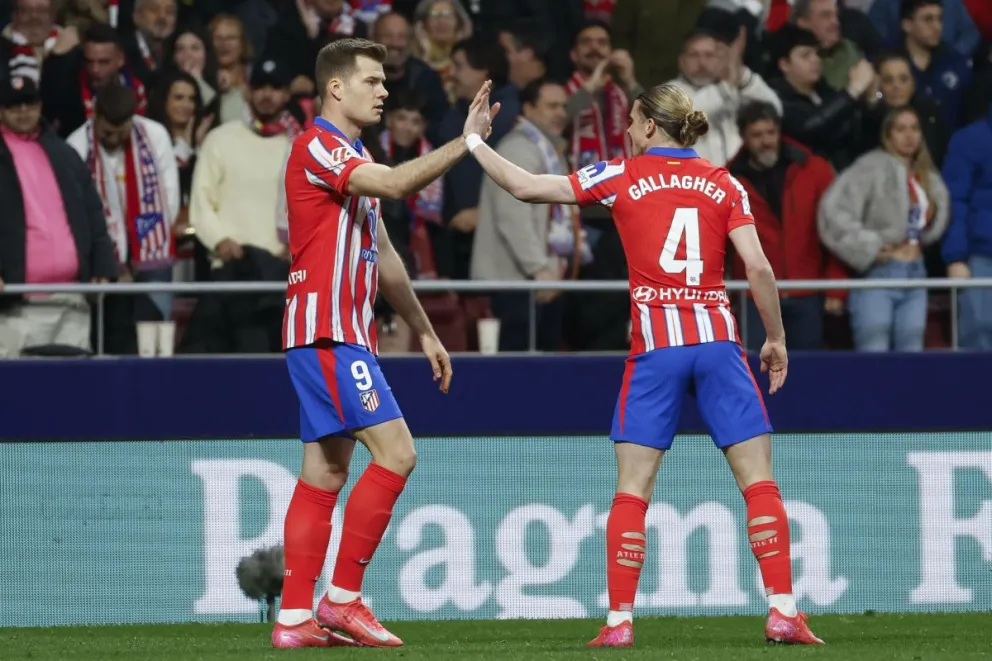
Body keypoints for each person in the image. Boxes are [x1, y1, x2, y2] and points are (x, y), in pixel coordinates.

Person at [463, 81, 823, 647]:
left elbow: (527, 188)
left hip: (655, 350)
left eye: (631, 122)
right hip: (719, 345)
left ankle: (619, 623)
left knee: (633, 490)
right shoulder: (725, 183)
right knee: (759, 483)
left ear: (651, 126)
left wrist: (473, 143)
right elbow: (758, 268)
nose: (626, 132)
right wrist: (774, 337)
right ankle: (782, 610)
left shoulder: (621, 176)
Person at [271, 37, 495, 649]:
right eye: (372, 81)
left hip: (336, 334)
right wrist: (467, 140)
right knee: (397, 454)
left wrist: (424, 330)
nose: (384, 90)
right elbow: (397, 185)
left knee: (325, 470)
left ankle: (293, 619)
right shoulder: (317, 144)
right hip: (330, 333)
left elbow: (387, 257)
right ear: (336, 88)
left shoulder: (350, 153)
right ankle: (342, 599)